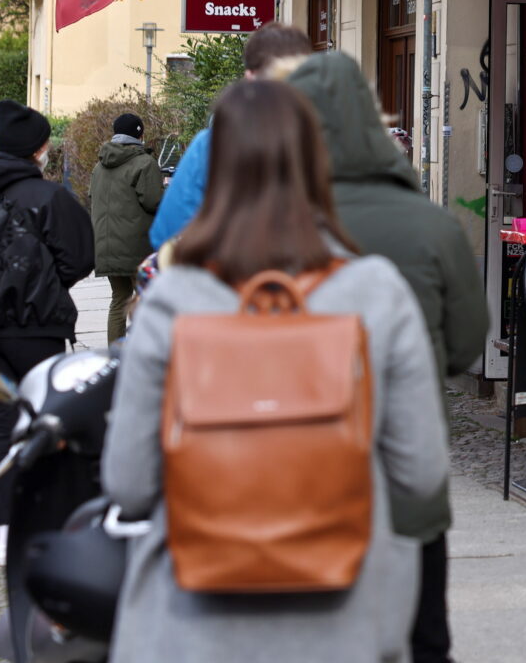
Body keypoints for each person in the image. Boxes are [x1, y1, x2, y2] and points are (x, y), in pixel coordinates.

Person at [102, 79, 447, 663]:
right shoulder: (375, 291)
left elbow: (129, 481)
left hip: (192, 619)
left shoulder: (174, 296)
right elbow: (421, 472)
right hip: (348, 615)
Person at [286, 51, 488, 663]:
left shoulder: (258, 227)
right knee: (421, 641)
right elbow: (466, 346)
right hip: (404, 489)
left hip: (283, 490)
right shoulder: (431, 227)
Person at [0, 100, 96, 565]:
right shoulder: (50, 198)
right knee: (37, 426)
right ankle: (14, 527)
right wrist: (46, 285)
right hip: (38, 329)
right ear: (38, 149)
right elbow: (79, 257)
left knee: (3, 426)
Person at [147, 24, 314, 248]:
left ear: (248, 75)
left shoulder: (210, 145)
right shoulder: (328, 139)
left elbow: (167, 233)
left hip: (227, 272)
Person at [90, 113, 163, 344]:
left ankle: (115, 355)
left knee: (119, 300)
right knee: (147, 300)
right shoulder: (144, 163)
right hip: (136, 249)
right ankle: (144, 353)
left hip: (106, 246)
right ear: (140, 134)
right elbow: (153, 202)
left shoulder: (99, 167)